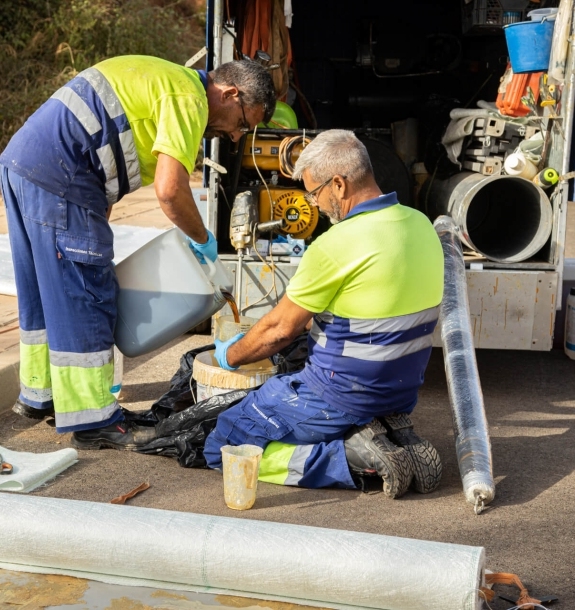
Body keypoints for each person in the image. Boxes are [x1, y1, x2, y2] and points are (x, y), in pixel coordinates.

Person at [0, 56, 276, 449]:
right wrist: (202, 239)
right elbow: (170, 190)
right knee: (87, 295)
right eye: (244, 123)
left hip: (26, 165)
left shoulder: (168, 80)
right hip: (63, 177)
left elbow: (105, 143)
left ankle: (41, 396)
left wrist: (96, 218)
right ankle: (94, 420)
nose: (235, 136)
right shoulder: (190, 98)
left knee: (45, 292)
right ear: (231, 94)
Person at [203, 130, 444, 498]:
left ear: (339, 185)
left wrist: (229, 357)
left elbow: (279, 331)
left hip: (340, 395)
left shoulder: (336, 244)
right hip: (400, 391)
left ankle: (352, 458)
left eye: (314, 193)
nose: (314, 204)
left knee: (224, 445)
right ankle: (385, 431)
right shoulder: (421, 225)